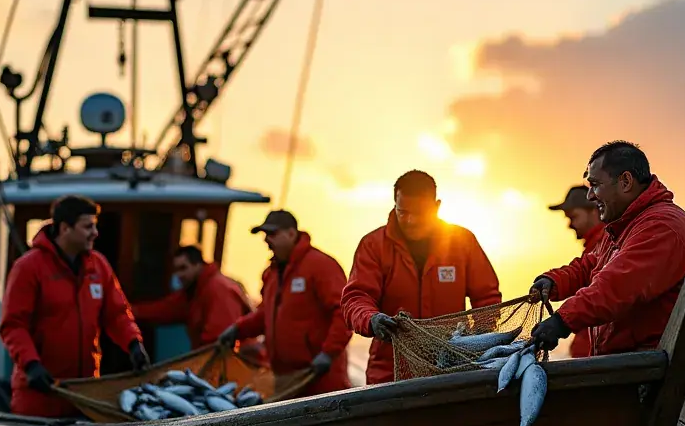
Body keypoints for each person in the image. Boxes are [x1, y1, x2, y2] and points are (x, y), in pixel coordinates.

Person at [530, 142, 685, 368]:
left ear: (626, 182)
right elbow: (590, 265)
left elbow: (618, 285)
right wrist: (554, 281)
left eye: (595, 185)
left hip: (659, 369)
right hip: (636, 364)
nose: (590, 195)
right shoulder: (622, 227)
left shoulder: (663, 226)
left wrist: (561, 321)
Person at [342, 169, 502, 384]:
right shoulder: (373, 245)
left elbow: (487, 296)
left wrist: (481, 335)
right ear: (394, 205)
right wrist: (371, 319)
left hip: (454, 367)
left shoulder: (462, 242)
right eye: (403, 212)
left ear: (436, 206)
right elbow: (356, 297)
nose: (411, 220)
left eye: (420, 213)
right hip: (390, 372)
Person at [0, 194, 150, 417]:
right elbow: (13, 326)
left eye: (95, 226)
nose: (95, 233)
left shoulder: (98, 266)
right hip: (39, 395)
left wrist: (133, 344)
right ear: (65, 228)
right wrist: (31, 365)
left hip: (86, 394)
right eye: (88, 226)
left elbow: (117, 314)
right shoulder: (28, 268)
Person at [217, 210, 351, 395]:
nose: (266, 240)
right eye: (265, 235)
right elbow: (265, 315)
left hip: (321, 376)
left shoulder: (321, 266)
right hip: (285, 379)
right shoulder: (271, 273)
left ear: (291, 233)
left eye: (272, 234)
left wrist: (328, 353)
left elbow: (344, 313)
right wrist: (238, 330)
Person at [133, 245, 253, 350]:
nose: (179, 275)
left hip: (237, 364)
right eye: (176, 270)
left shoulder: (218, 289)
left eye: (183, 268)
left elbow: (218, 342)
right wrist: (128, 312)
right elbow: (164, 309)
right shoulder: (193, 292)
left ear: (198, 265)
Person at [547, 184, 606, 357]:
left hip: (598, 360)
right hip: (591, 357)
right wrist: (552, 281)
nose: (569, 225)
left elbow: (603, 295)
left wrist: (560, 322)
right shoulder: (595, 246)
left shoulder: (606, 244)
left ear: (594, 211)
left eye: (573, 216)